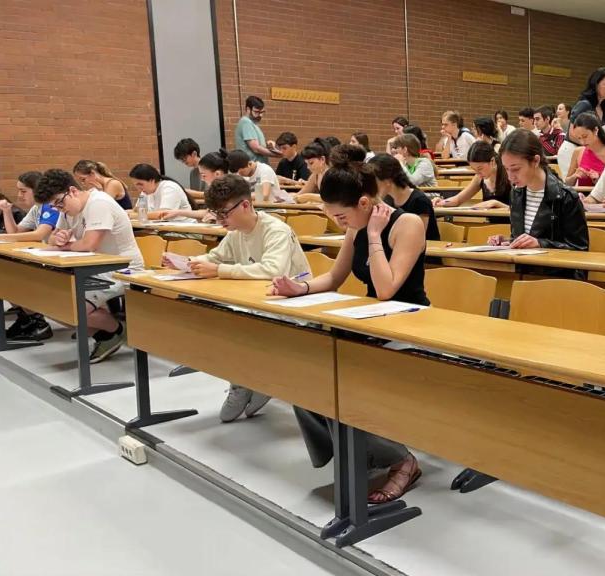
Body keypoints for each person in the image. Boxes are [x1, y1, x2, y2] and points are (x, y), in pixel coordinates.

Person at [270, 164, 425, 502]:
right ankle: (362, 453)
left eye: (342, 217)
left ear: (366, 203)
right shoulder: (355, 225)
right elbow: (334, 278)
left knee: (338, 377)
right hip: (371, 319)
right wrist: (300, 288)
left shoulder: (407, 224)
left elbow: (387, 289)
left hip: (411, 324)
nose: (339, 223)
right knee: (303, 369)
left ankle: (401, 460)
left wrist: (372, 235)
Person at [179, 174, 309, 421]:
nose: (220, 220)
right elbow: (215, 257)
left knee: (243, 328)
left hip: (291, 305)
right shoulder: (235, 233)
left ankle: (259, 380)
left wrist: (219, 271)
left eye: (224, 213)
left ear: (246, 205)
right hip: (256, 302)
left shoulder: (276, 230)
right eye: (216, 214)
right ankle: (246, 381)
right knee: (223, 323)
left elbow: (273, 270)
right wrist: (189, 263)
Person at [37, 169, 143, 363]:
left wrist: (66, 246)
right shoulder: (68, 208)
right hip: (94, 267)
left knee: (71, 307)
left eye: (60, 204)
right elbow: (53, 237)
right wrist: (58, 237)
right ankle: (107, 336)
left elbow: (88, 244)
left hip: (122, 269)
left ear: (73, 191)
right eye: (55, 207)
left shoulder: (99, 203)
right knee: (53, 305)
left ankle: (117, 330)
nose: (60, 209)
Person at [488, 130, 588, 259]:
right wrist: (508, 242)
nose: (510, 176)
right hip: (523, 270)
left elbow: (580, 249)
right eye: (506, 169)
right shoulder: (516, 193)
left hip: (554, 275)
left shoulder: (566, 197)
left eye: (516, 169)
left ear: (535, 161)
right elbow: (523, 238)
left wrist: (541, 243)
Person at [0, 171, 56, 342]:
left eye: (23, 191)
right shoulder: (36, 209)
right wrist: (6, 211)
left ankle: (38, 321)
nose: (19, 195)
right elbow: (15, 232)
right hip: (45, 258)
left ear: (37, 189)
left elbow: (39, 234)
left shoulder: (50, 206)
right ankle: (27, 319)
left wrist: (2, 237)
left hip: (56, 261)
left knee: (16, 282)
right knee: (6, 280)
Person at [370, 154, 440, 241]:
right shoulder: (387, 200)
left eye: (374, 181)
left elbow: (417, 238)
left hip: (422, 251)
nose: (372, 186)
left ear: (388, 180)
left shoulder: (419, 200)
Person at [436, 141, 512, 209]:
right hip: (488, 224)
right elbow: (458, 199)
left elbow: (519, 211)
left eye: (480, 168)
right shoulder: (479, 178)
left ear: (492, 161)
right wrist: (441, 202)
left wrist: (496, 203)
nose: (478, 174)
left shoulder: (510, 175)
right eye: (475, 170)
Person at [127, 164, 196, 222]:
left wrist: (132, 216)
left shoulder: (169, 187)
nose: (139, 188)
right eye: (136, 185)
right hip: (163, 229)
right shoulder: (144, 193)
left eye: (140, 184)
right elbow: (137, 210)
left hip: (183, 229)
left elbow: (163, 214)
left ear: (152, 180)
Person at [227, 150, 292, 204]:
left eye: (241, 172)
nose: (240, 175)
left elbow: (264, 195)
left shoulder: (265, 170)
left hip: (271, 208)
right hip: (254, 208)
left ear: (249, 164)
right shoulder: (242, 174)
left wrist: (241, 197)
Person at [565, 113, 605, 187]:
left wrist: (598, 180)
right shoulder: (578, 152)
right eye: (579, 138)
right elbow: (567, 183)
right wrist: (575, 176)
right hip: (582, 196)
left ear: (595, 130)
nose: (582, 142)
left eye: (585, 136)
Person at [234, 95, 280, 163]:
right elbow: (256, 149)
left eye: (262, 112)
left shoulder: (252, 123)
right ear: (248, 109)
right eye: (256, 112)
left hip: (256, 168)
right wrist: (277, 155)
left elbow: (257, 146)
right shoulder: (246, 122)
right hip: (252, 169)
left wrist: (268, 146)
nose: (260, 115)